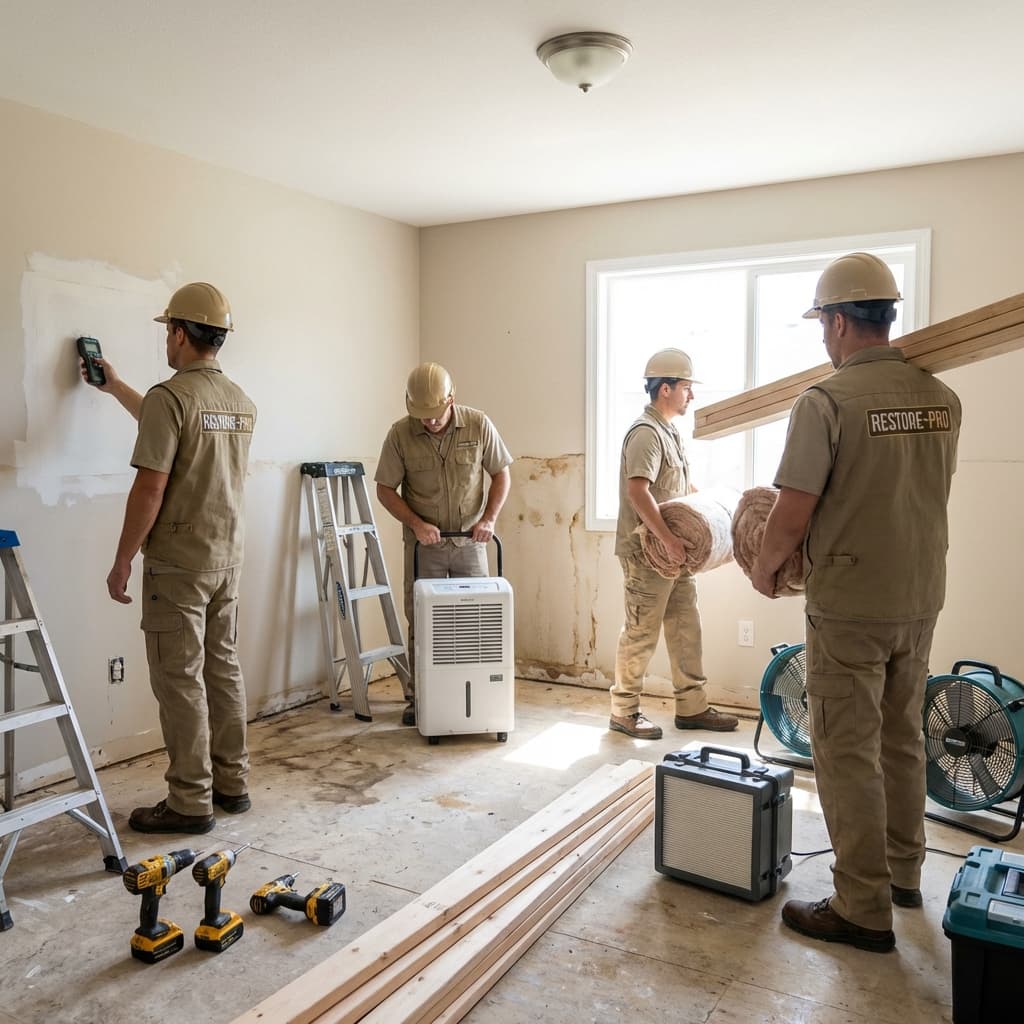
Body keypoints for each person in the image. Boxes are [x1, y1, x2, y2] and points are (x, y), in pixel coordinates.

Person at [751, 252, 961, 953]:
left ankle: (862, 906)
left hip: (849, 604)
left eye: (822, 324)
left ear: (840, 321)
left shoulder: (826, 402)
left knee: (846, 751)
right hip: (919, 594)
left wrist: (766, 566)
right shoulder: (940, 398)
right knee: (902, 735)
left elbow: (793, 510)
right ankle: (904, 873)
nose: (822, 339)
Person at [84, 282, 257, 834]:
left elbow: (150, 489)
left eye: (167, 331)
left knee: (179, 680)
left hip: (179, 564)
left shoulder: (172, 398)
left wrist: (122, 560)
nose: (166, 340)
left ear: (180, 333)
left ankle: (189, 801)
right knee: (222, 669)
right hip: (225, 558)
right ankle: (233, 784)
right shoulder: (238, 402)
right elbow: (176, 426)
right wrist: (116, 388)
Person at [610, 348, 739, 739]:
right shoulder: (646, 433)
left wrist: (712, 508)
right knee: (640, 632)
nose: (691, 396)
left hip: (675, 553)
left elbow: (677, 490)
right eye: (686, 388)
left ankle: (692, 706)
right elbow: (638, 491)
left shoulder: (669, 432)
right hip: (648, 553)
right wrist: (667, 539)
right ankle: (624, 711)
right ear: (664, 389)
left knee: (686, 626)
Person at [375, 362, 512, 726]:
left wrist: (489, 520)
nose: (430, 423)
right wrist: (417, 525)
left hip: (471, 543)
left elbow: (501, 473)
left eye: (435, 415)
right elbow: (385, 489)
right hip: (426, 548)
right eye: (422, 416)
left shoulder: (479, 424)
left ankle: (476, 695)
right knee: (423, 623)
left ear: (451, 399)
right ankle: (420, 698)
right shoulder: (400, 434)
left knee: (476, 622)